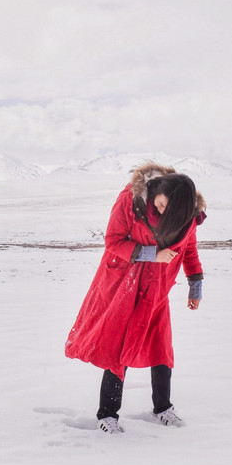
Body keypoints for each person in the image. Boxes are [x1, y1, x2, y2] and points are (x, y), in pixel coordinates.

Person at [65, 163, 205, 434]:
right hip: (124, 287)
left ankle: (163, 408)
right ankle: (107, 415)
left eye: (170, 210)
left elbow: (189, 248)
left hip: (158, 289)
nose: (162, 211)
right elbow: (113, 242)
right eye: (161, 205)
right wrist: (151, 254)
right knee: (120, 349)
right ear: (157, 190)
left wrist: (195, 285)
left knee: (161, 347)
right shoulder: (131, 201)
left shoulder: (187, 215)